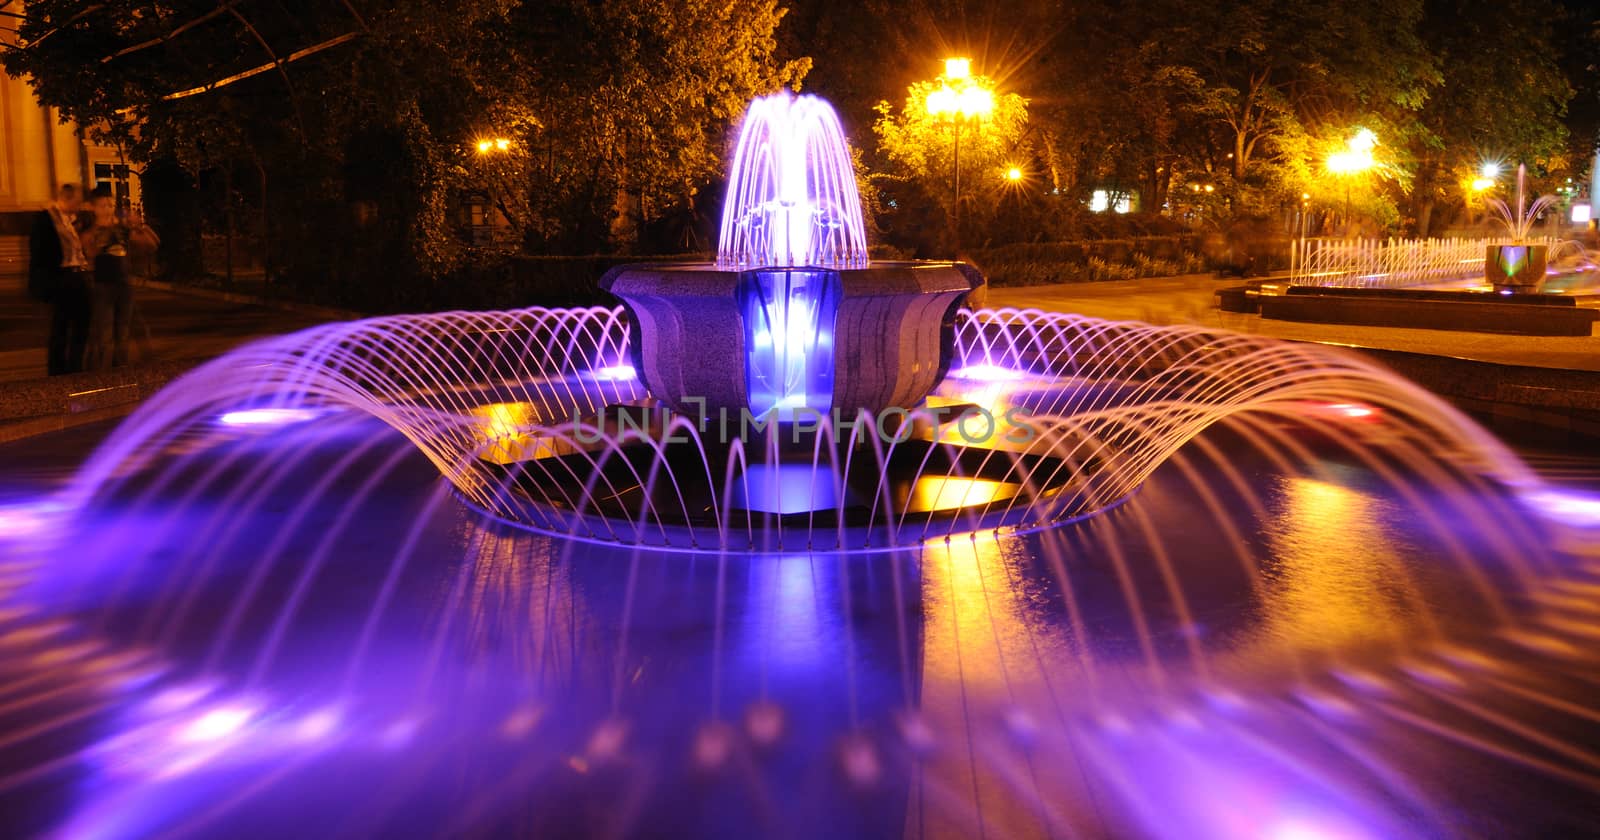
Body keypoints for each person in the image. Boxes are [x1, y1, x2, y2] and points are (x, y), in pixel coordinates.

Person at [80, 186, 157, 369]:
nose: (108, 208)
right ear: (94, 208)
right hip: (103, 287)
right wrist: (103, 235)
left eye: (110, 204)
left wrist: (140, 226)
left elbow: (152, 244)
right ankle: (102, 373)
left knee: (123, 332)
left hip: (124, 286)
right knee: (105, 334)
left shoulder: (122, 229)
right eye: (103, 205)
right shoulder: (90, 232)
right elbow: (88, 252)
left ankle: (120, 370)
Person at [30, 183, 92, 375]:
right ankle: (57, 370)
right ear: (66, 198)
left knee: (82, 323)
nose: (80, 205)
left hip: (77, 276)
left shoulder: (70, 220)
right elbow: (39, 253)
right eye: (77, 201)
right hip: (60, 278)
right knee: (61, 327)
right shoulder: (46, 219)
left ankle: (75, 366)